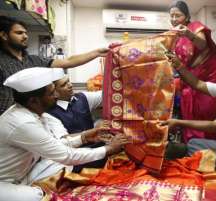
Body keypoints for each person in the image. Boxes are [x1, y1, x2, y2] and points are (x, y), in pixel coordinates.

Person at [0, 67, 129, 201]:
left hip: (26, 172)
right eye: (51, 93)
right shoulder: (22, 122)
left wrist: (84, 137)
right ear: (34, 101)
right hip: (4, 182)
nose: (56, 96)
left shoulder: (37, 114)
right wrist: (109, 149)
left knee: (61, 168)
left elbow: (56, 144)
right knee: (38, 196)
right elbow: (66, 155)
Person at [0, 16, 108, 115]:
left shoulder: (34, 60)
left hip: (32, 117)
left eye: (25, 33)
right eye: (19, 33)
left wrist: (97, 53)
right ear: (4, 35)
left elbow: (68, 61)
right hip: (7, 119)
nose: (25, 36)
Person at [169, 1, 216, 142]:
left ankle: (210, 147)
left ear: (186, 17)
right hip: (189, 80)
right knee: (189, 115)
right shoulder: (175, 37)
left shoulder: (194, 27)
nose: (174, 19)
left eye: (177, 15)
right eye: (171, 16)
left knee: (206, 113)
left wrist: (188, 34)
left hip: (206, 78)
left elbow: (202, 44)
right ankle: (193, 147)